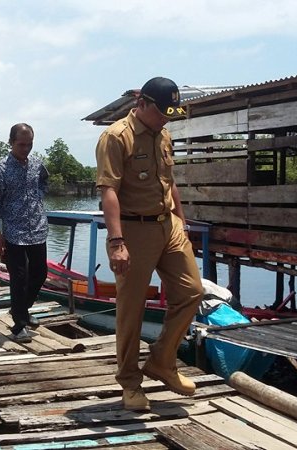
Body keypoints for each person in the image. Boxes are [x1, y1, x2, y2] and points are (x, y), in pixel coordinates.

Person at [95, 77, 203, 412]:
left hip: (166, 224)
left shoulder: (163, 134)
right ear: (141, 104)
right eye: (161, 113)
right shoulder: (115, 137)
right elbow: (108, 191)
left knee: (191, 292)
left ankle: (162, 360)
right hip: (132, 229)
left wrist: (182, 222)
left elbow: (168, 183)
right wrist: (116, 242)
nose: (166, 119)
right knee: (131, 310)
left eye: (170, 114)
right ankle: (130, 383)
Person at [0, 123, 49, 343]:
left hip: (38, 228)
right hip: (13, 230)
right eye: (21, 144)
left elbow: (44, 181)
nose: (26, 149)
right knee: (19, 277)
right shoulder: (0, 169)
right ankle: (19, 325)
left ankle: (22, 309)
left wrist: (38, 198)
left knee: (40, 272)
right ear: (11, 142)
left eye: (29, 144)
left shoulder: (37, 164)